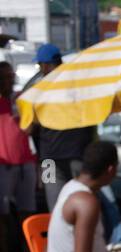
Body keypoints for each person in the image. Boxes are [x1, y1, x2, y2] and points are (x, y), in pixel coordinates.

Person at [21, 45, 98, 211]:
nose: (40, 69)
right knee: (84, 201)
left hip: (48, 160)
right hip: (78, 155)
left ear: (46, 65)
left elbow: (28, 128)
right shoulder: (79, 85)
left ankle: (58, 236)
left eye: (40, 65)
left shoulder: (39, 91)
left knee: (54, 205)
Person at [0, 60, 37, 252]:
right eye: (3, 78)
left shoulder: (20, 99)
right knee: (2, 212)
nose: (8, 81)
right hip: (4, 165)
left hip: (28, 164)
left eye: (10, 77)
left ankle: (29, 250)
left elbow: (31, 130)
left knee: (28, 210)